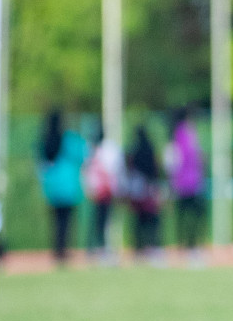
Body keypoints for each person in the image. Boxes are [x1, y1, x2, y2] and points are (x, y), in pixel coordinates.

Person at [37, 109, 87, 267]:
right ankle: (63, 250)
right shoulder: (69, 139)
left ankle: (57, 250)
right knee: (66, 221)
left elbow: (41, 164)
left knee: (56, 221)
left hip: (51, 187)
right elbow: (83, 154)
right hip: (69, 186)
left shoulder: (44, 140)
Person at [165, 108, 207, 259]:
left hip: (180, 183)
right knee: (195, 216)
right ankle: (192, 245)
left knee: (181, 217)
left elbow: (171, 160)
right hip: (193, 182)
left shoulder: (174, 135)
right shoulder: (189, 133)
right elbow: (198, 157)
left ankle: (182, 246)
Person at [123, 124, 165, 259]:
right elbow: (155, 169)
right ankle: (153, 246)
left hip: (137, 189)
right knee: (152, 220)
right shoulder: (149, 149)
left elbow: (129, 170)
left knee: (139, 220)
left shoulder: (134, 150)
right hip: (148, 188)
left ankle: (139, 247)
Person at [83, 126, 122, 262]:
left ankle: (100, 248)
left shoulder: (96, 151)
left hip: (103, 191)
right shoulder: (100, 151)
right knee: (102, 222)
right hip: (102, 192)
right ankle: (100, 248)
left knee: (101, 221)